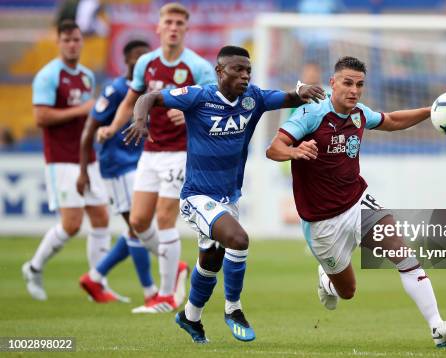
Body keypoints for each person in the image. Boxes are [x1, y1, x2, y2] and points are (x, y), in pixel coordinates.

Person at [123, 45, 325, 343]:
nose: (245, 75)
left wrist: (302, 88)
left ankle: (190, 316)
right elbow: (148, 97)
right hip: (196, 197)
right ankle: (233, 309)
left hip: (228, 198)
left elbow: (290, 97)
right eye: (238, 70)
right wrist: (141, 120)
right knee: (238, 239)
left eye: (248, 70)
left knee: (211, 260)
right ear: (219, 72)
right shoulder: (198, 96)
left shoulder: (253, 97)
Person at [266, 56, 446, 348]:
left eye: (360, 85)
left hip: (358, 202)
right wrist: (296, 151)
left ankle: (438, 326)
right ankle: (327, 279)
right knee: (347, 292)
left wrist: (433, 110)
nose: (354, 90)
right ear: (333, 83)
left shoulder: (360, 114)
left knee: (404, 255)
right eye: (348, 83)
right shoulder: (311, 114)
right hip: (322, 223)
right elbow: (274, 148)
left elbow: (392, 121)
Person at [97, 2, 216, 313]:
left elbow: (215, 106)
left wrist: (190, 111)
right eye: (169, 22)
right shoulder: (146, 64)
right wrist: (112, 127)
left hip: (181, 153)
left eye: (179, 22)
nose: (174, 27)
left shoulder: (198, 67)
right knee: (137, 221)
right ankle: (175, 266)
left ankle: (164, 296)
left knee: (165, 219)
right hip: (150, 151)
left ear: (186, 29)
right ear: (159, 27)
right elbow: (131, 100)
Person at [22, 20, 109, 301]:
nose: (72, 44)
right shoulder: (49, 76)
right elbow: (41, 117)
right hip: (60, 158)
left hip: (87, 155)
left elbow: (88, 116)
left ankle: (96, 283)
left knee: (101, 217)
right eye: (67, 40)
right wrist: (80, 109)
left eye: (76, 39)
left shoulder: (86, 76)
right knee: (72, 224)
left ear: (82, 42)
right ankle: (33, 267)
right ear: (58, 42)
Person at [77, 39, 160, 305]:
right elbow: (91, 128)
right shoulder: (115, 89)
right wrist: (83, 170)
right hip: (117, 164)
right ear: (126, 60)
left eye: (146, 56)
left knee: (137, 226)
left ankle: (95, 275)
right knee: (137, 226)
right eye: (137, 56)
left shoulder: (148, 92)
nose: (142, 61)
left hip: (137, 164)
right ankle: (150, 292)